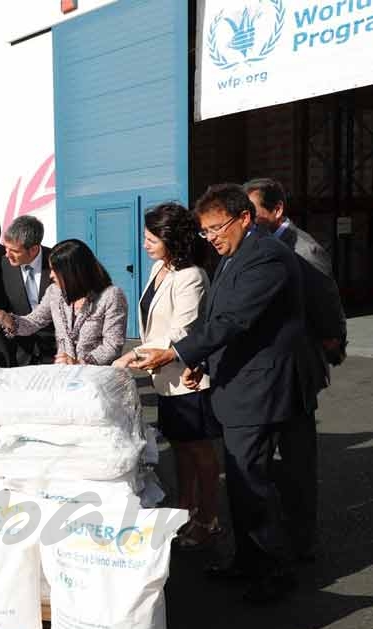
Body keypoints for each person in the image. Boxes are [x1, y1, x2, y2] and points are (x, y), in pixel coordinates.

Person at [131, 184, 318, 604]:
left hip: (260, 388)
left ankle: (274, 572)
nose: (211, 237)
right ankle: (248, 561)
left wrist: (178, 352)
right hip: (239, 383)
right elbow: (217, 320)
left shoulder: (266, 256)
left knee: (253, 481)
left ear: (245, 219)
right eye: (205, 231)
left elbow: (234, 320)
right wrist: (199, 362)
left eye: (217, 228)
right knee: (240, 481)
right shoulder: (234, 257)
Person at [244, 177, 347, 560]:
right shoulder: (259, 245)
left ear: (278, 210)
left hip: (297, 369)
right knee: (272, 459)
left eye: (252, 212)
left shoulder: (304, 249)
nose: (247, 220)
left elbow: (327, 308)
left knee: (298, 458)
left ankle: (302, 540)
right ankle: (278, 529)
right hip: (268, 371)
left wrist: (328, 349)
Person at [113, 202, 222, 548]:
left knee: (200, 453)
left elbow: (181, 331)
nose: (145, 244)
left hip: (187, 377)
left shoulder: (191, 276)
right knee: (180, 449)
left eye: (151, 238)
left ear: (172, 239)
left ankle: (209, 518)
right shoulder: (158, 268)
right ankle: (185, 512)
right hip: (164, 379)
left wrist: (134, 353)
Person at [0, 239, 127, 366]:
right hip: (64, 377)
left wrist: (80, 362)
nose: (51, 275)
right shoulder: (55, 292)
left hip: (97, 380)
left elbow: (112, 346)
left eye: (55, 271)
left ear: (74, 273)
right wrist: (5, 318)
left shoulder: (111, 296)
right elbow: (33, 322)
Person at [0, 215, 55, 367]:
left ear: (34, 249)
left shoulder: (57, 262)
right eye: (6, 248)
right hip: (18, 354)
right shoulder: (1, 266)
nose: (7, 254)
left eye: (14, 250)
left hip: (56, 354)